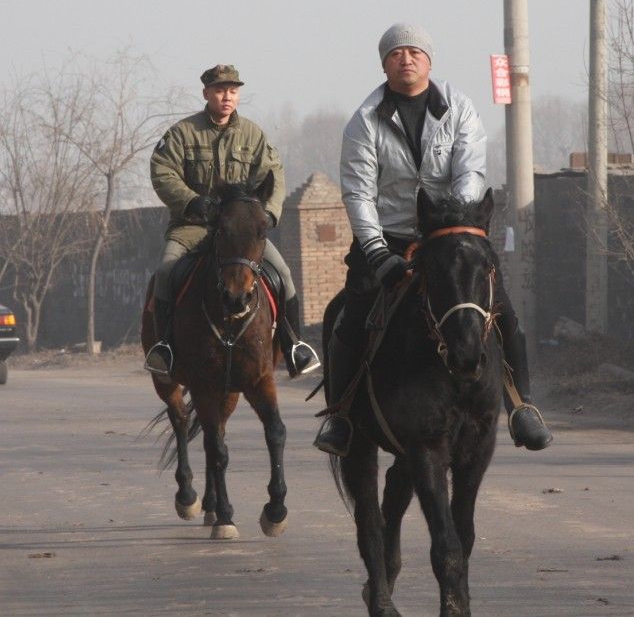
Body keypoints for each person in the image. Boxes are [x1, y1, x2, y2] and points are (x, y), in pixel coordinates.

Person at [314, 23, 553, 456]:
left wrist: (452, 224)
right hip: (386, 237)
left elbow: (470, 171)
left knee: (502, 312)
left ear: (428, 60)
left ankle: (521, 406)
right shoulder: (364, 121)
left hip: (449, 231)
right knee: (351, 317)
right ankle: (342, 414)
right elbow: (358, 192)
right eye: (396, 53)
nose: (406, 58)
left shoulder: (459, 108)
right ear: (384, 63)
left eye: (414, 52)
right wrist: (376, 253)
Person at [144, 64, 320, 379]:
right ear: (206, 93)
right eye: (221, 90)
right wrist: (191, 201)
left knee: (283, 272)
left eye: (234, 91)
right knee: (166, 271)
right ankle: (165, 348)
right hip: (193, 225)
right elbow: (162, 170)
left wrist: (268, 214)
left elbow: (274, 174)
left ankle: (294, 345)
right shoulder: (183, 133)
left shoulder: (253, 135)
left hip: (240, 234)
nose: (227, 97)